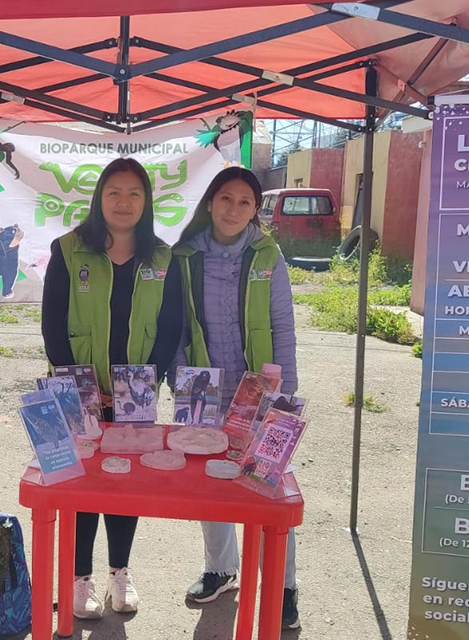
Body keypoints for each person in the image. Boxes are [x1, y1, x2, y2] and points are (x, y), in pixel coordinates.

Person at [41, 157, 184, 619]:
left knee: (126, 480)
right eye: (114, 192)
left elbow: (170, 327)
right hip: (78, 392)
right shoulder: (67, 250)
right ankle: (78, 577)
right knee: (80, 480)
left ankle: (119, 573)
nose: (124, 203)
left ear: (147, 202)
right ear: (99, 198)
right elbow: (53, 326)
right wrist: (81, 389)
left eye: (134, 193)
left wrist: (145, 383)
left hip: (135, 394)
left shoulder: (164, 258)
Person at [172, 167, 301, 629]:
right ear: (210, 202)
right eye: (226, 199)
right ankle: (221, 570)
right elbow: (179, 329)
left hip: (260, 393)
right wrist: (180, 380)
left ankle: (283, 588)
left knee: (268, 486)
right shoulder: (184, 257)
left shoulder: (268, 255)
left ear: (255, 210)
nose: (233, 209)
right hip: (206, 392)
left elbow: (282, 326)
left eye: (244, 202)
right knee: (213, 482)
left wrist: (284, 395)